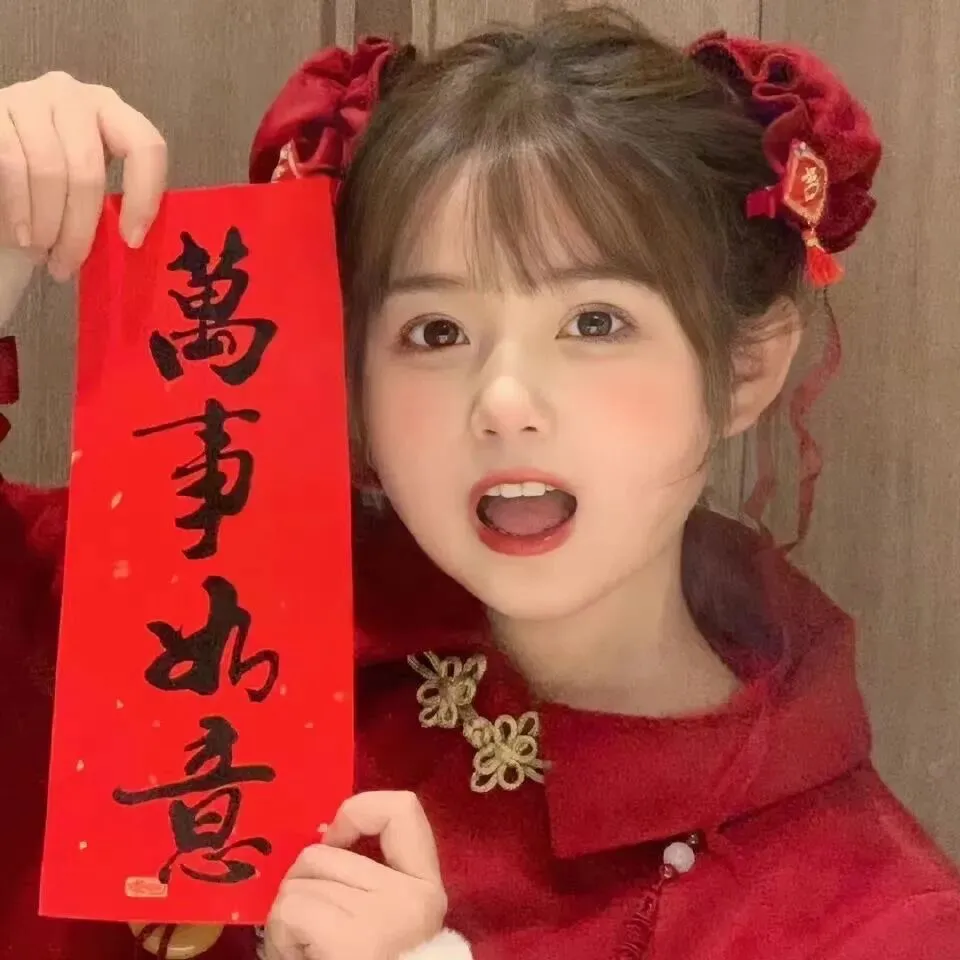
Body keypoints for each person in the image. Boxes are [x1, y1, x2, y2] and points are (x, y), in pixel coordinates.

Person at [0, 6, 958, 960]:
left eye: (595, 323)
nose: (503, 403)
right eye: (436, 332)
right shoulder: (207, 597)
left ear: (745, 370)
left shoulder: (868, 917)